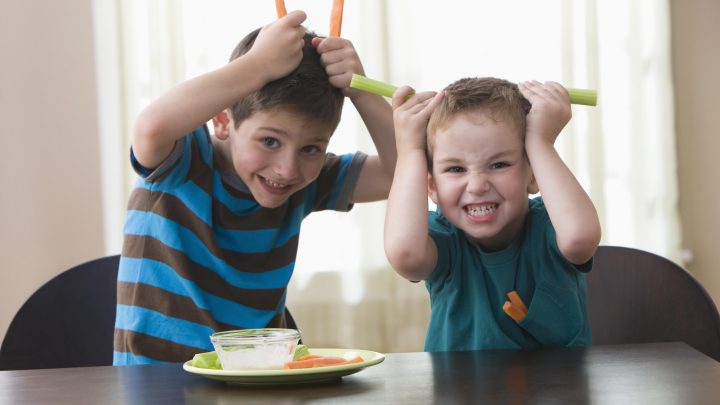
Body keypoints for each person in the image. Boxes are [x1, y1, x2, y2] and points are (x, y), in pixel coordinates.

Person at [114, 10, 396, 365]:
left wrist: (363, 93)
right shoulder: (184, 160)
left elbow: (399, 171)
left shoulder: (306, 182)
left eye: (311, 148)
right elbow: (149, 129)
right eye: (269, 141)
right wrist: (258, 66)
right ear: (222, 121)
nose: (287, 168)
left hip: (259, 378)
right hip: (159, 381)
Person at [384, 77, 601, 351]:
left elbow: (581, 239)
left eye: (499, 164)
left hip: (556, 392)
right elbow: (405, 255)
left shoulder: (553, 227)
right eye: (455, 169)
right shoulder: (443, 240)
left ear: (534, 174)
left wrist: (541, 141)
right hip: (460, 393)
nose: (477, 186)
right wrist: (409, 151)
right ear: (431, 186)